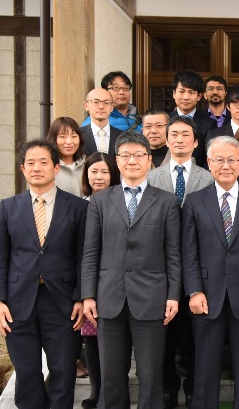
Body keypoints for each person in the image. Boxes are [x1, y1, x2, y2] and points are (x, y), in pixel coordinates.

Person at [81, 132, 182, 408]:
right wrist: (88, 295)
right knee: (111, 373)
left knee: (150, 374)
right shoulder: (100, 201)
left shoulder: (167, 201)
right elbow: (90, 253)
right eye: (126, 155)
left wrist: (173, 295)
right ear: (117, 161)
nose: (132, 161)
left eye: (139, 155)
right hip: (108, 298)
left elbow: (173, 254)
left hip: (152, 298)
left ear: (150, 160)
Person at [0, 139, 87, 409]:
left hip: (63, 304)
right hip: (18, 305)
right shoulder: (8, 207)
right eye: (30, 163)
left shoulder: (78, 208)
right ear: (22, 169)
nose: (36, 168)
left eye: (44, 162)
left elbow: (84, 257)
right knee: (28, 373)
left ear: (56, 168)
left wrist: (81, 296)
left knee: (63, 372)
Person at [181, 136, 239, 408]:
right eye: (219, 159)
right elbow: (189, 251)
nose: (226, 165)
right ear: (209, 163)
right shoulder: (195, 201)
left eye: (232, 159)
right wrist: (194, 290)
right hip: (207, 295)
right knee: (206, 366)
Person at [147, 115, 214, 408]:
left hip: (200, 266)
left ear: (195, 142)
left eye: (185, 135)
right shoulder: (152, 177)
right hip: (161, 267)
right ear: (165, 138)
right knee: (164, 333)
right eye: (173, 134)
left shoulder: (208, 178)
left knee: (194, 335)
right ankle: (167, 388)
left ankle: (192, 388)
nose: (178, 139)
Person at [79, 152, 120, 409]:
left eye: (104, 171)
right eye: (94, 171)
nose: (99, 177)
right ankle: (96, 389)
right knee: (91, 338)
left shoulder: (119, 201)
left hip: (113, 280)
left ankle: (111, 389)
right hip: (87, 278)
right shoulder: (78, 204)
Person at [168, 69, 218, 167]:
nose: (186, 97)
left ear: (199, 96)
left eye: (191, 92)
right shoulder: (165, 121)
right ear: (174, 93)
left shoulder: (209, 124)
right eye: (181, 91)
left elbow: (211, 157)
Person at [47, 117, 86, 197]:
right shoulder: (48, 167)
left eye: (74, 136)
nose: (69, 142)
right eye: (63, 136)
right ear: (53, 139)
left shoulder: (87, 165)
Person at [80, 88, 123, 157]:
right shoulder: (78, 135)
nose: (101, 106)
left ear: (112, 107)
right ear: (86, 106)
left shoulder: (122, 136)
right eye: (96, 102)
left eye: (106, 102)